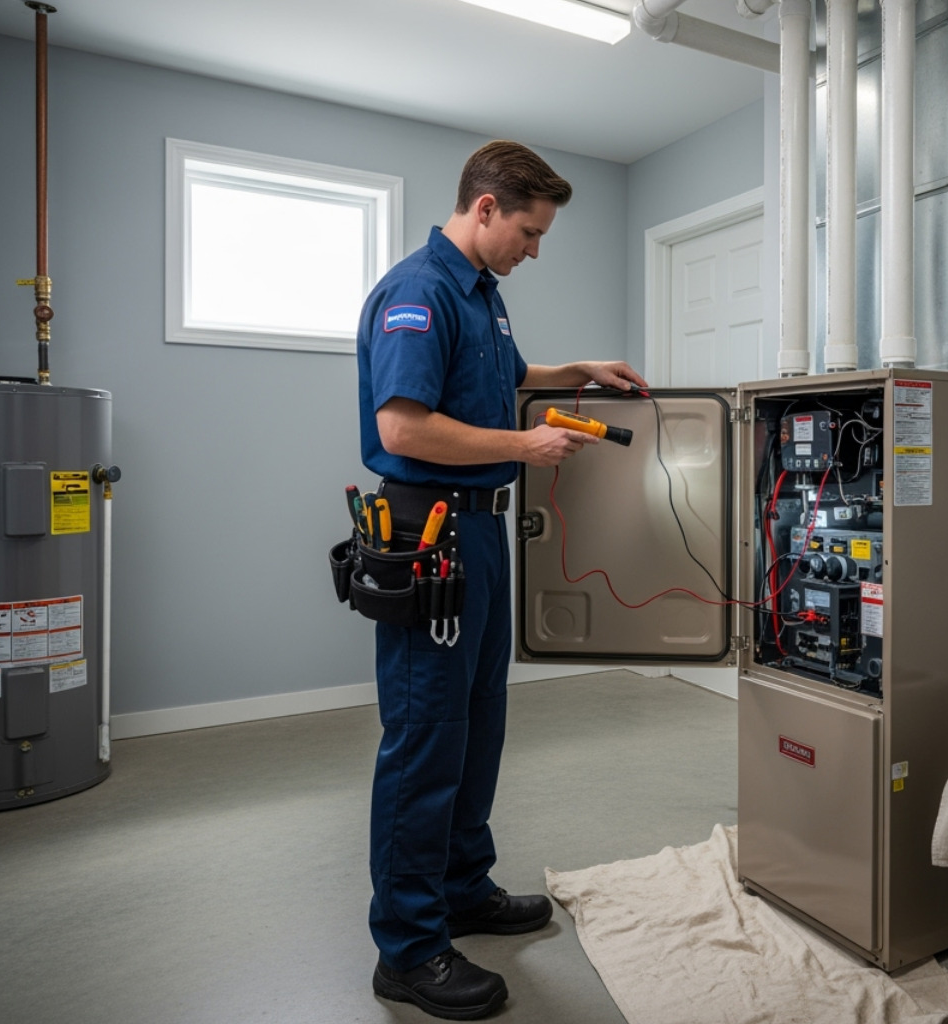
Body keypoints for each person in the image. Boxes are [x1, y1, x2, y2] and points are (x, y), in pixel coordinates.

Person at [356, 139, 648, 1021]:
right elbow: (404, 430)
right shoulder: (420, 291)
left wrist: (580, 371)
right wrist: (524, 446)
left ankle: (461, 888)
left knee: (478, 725)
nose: (534, 248)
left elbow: (509, 380)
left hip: (480, 537)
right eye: (528, 231)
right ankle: (407, 950)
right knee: (424, 737)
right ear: (485, 209)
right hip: (429, 533)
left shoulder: (482, 297)